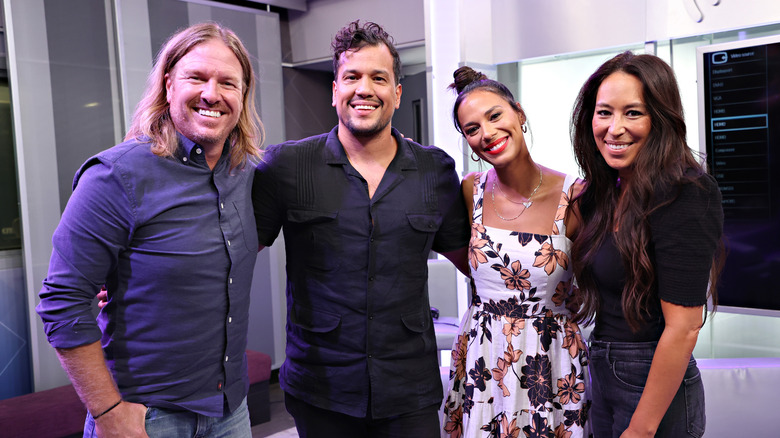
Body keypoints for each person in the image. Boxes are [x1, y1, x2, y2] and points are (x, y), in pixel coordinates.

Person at [36, 22, 263, 438]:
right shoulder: (115, 176)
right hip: (148, 419)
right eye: (196, 77)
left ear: (243, 95)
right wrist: (109, 414)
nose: (212, 93)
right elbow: (62, 301)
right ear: (168, 84)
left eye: (228, 82)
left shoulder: (249, 176)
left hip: (231, 411)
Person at [252, 20, 470, 437]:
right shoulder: (286, 167)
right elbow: (234, 251)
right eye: (351, 76)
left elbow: (474, 262)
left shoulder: (434, 170)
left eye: (379, 78)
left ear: (397, 93)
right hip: (321, 390)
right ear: (335, 89)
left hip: (410, 392)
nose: (364, 89)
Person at [569, 51, 724, 438]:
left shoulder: (685, 191)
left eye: (633, 113)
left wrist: (641, 430)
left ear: (660, 118)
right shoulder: (605, 191)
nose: (614, 128)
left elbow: (685, 327)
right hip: (602, 368)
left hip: (653, 380)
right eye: (604, 112)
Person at [441, 67, 591, 438]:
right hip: (484, 355)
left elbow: (597, 278)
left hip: (551, 358)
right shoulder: (469, 190)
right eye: (472, 129)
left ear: (519, 114)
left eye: (495, 116)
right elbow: (477, 268)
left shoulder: (576, 195)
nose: (487, 133)